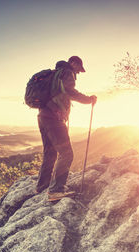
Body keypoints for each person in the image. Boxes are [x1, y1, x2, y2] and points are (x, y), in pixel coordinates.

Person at [36, 56, 97, 201]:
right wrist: (89, 99)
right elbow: (71, 92)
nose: (79, 73)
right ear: (73, 63)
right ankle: (56, 190)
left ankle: (42, 187)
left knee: (49, 153)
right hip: (54, 119)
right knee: (67, 153)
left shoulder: (54, 75)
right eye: (79, 69)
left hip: (42, 116)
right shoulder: (67, 73)